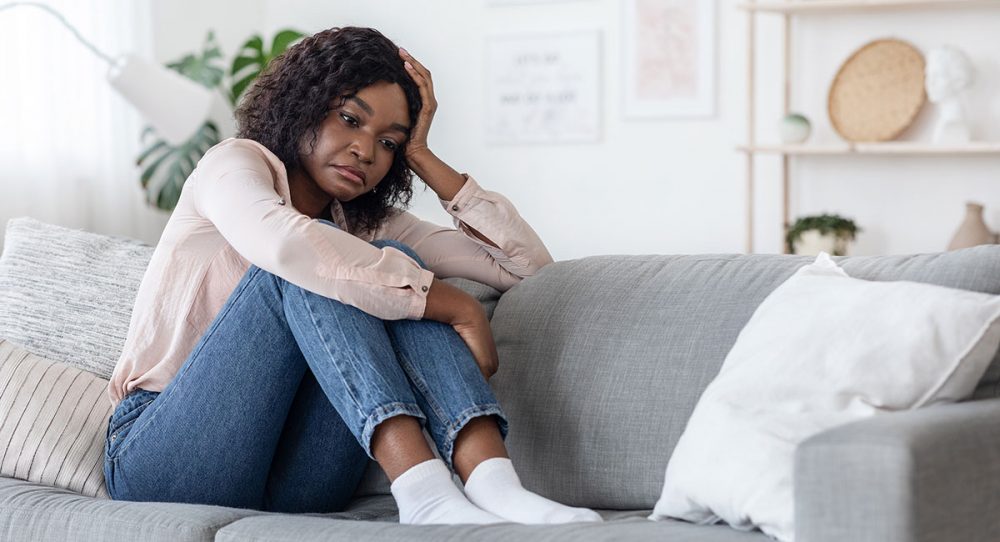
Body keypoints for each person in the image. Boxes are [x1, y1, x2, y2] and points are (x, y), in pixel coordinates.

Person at [102, 26, 603, 526]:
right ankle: (424, 491)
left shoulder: (363, 220)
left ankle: (494, 483)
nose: (366, 151)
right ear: (305, 104)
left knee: (384, 254)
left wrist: (422, 156)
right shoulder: (232, 165)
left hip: (293, 473)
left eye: (388, 142)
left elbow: (527, 269)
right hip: (164, 455)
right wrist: (455, 304)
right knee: (315, 263)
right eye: (349, 119)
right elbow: (286, 245)